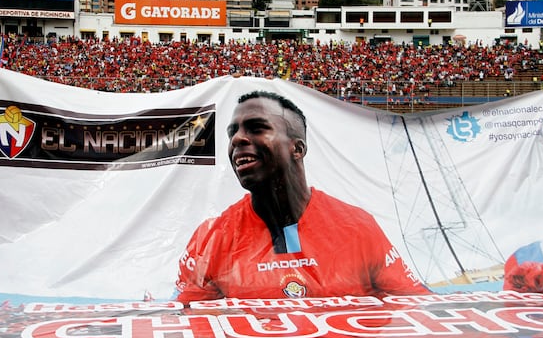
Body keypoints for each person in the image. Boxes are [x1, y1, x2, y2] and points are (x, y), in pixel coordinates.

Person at [175, 90, 429, 303]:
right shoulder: (212, 238)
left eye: (257, 128)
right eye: (233, 132)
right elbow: (187, 324)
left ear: (297, 149)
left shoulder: (358, 229)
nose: (238, 139)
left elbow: (415, 307)